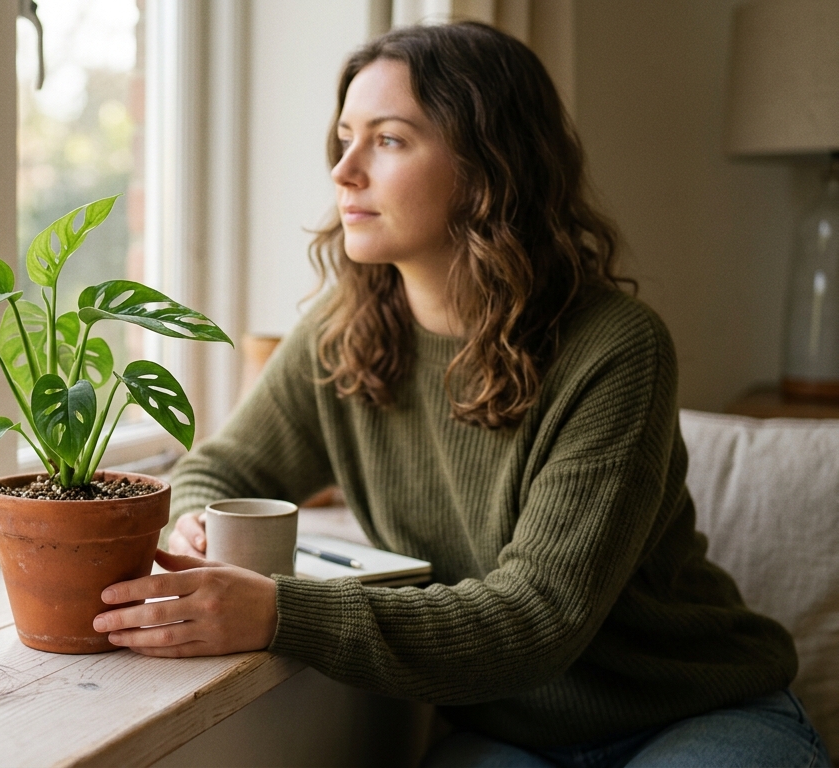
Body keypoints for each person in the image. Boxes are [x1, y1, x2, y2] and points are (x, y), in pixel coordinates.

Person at [91, 21, 832, 768]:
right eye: (345, 137)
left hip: (690, 714)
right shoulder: (340, 335)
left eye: (388, 140)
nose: (345, 171)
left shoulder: (615, 348)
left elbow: (540, 619)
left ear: (488, 167)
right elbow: (220, 473)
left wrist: (283, 613)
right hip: (508, 738)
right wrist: (194, 530)